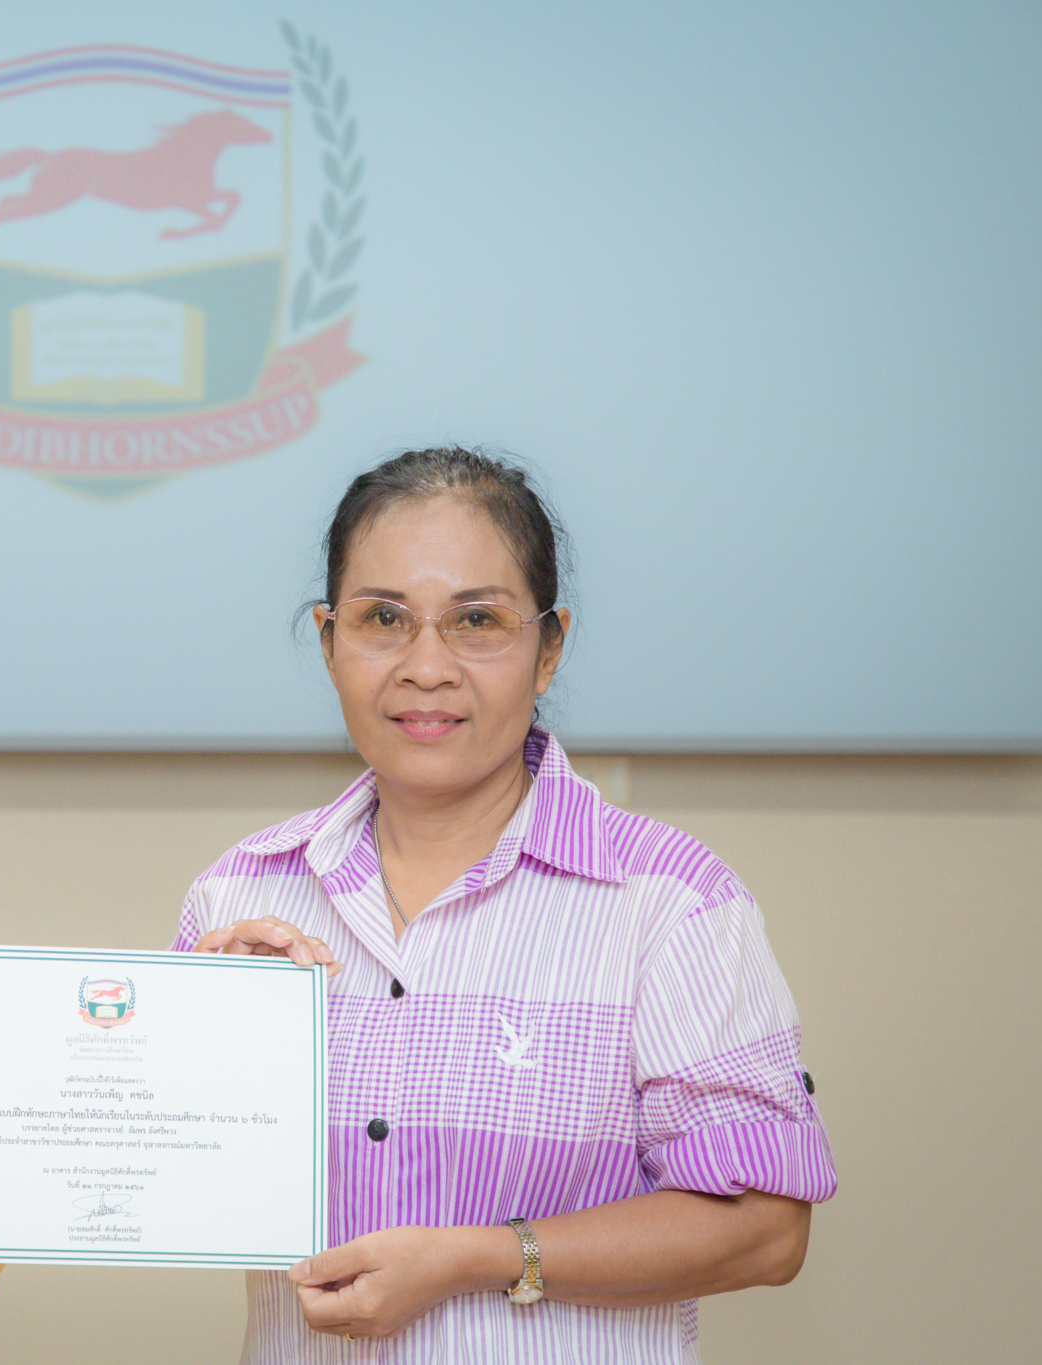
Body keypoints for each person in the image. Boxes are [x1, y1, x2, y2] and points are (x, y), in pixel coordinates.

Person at [176, 448, 835, 1362]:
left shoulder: (670, 901)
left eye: (477, 620)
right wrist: (189, 1053)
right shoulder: (241, 891)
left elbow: (765, 1230)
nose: (426, 667)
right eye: (382, 619)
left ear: (549, 647)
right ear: (329, 642)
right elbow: (176, 1190)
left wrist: (478, 1258)